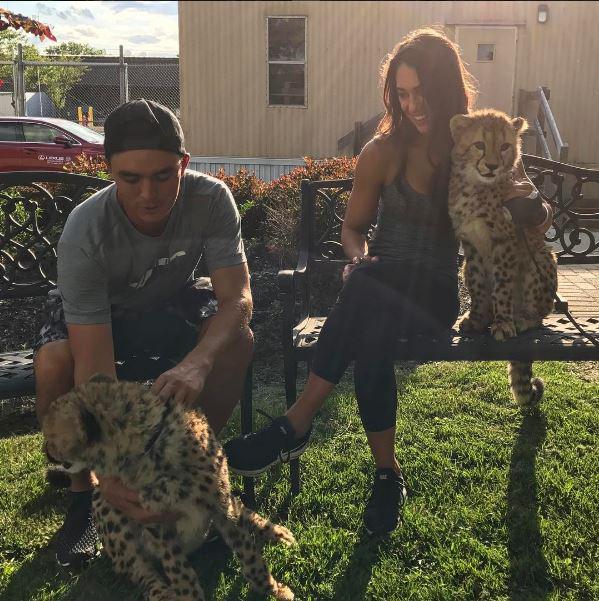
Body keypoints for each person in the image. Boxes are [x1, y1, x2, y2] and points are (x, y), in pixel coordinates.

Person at [223, 28, 552, 535]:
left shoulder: (474, 141)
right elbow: (353, 230)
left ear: (446, 88)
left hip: (434, 295)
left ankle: (297, 424)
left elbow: (530, 204)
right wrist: (357, 257)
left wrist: (532, 209)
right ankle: (385, 474)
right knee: (370, 307)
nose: (413, 104)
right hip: (378, 284)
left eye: (423, 91)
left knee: (367, 293)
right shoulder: (380, 152)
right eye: (402, 92)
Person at [33, 98, 253, 567]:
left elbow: (238, 297)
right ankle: (82, 494)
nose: (148, 194)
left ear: (184, 165)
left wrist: (199, 362)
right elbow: (95, 366)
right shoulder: (85, 231)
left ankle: (187, 465)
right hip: (99, 313)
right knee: (55, 362)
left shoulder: (212, 199)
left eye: (162, 176)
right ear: (108, 169)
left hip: (167, 298)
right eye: (130, 179)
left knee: (238, 339)